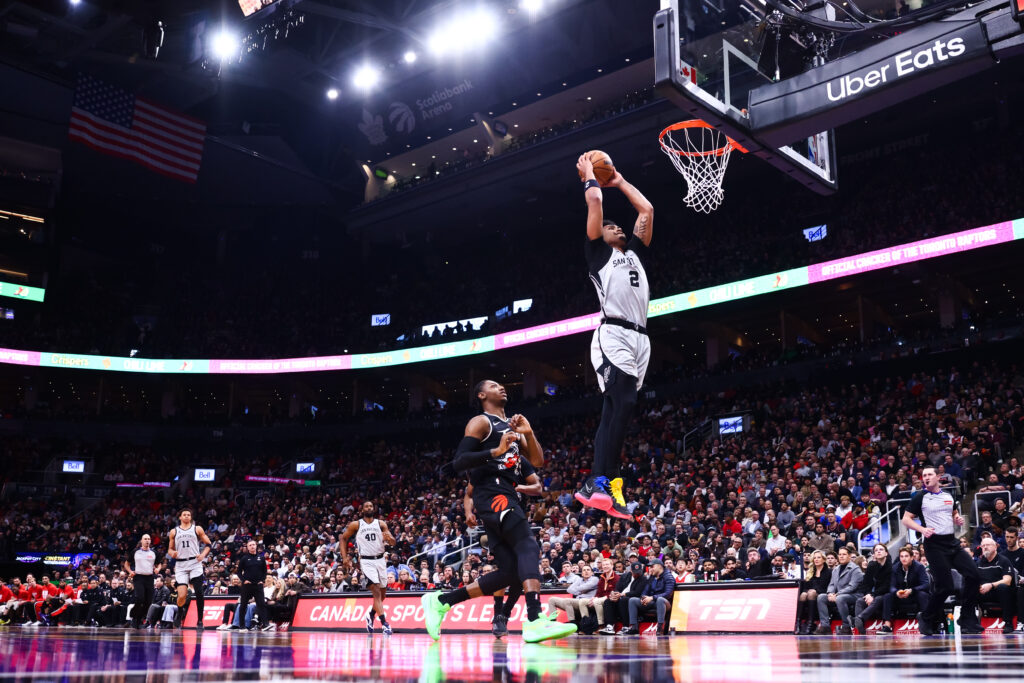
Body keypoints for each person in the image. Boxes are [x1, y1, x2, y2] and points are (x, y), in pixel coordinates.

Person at [420, 379, 576, 644]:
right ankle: (535, 619)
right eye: (493, 385)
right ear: (481, 394)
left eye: (502, 385)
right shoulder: (482, 422)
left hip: (503, 496)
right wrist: (496, 450)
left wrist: (528, 432)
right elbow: (459, 461)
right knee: (528, 545)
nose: (501, 387)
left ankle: (442, 601)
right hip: (492, 494)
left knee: (511, 572)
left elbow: (537, 461)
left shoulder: (511, 428)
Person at [574, 152, 654, 520]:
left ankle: (606, 484)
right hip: (614, 333)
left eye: (618, 227)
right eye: (610, 227)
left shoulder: (634, 253)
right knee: (623, 404)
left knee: (614, 411)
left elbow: (647, 211)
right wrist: (590, 174)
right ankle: (600, 481)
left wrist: (619, 179)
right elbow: (593, 200)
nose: (617, 228)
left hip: (641, 338)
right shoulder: (598, 255)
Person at [902, 466, 982, 635]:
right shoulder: (920, 497)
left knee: (974, 575)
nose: (926, 477)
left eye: (929, 474)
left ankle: (967, 618)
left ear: (938, 477)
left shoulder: (947, 495)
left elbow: (953, 513)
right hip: (934, 545)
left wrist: (957, 518)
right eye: (924, 475)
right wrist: (922, 530)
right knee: (945, 587)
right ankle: (926, 617)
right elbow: (906, 519)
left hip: (952, 543)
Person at [464, 471, 541, 638]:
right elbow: (469, 493)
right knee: (506, 571)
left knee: (521, 573)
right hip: (495, 527)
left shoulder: (517, 463)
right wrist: (468, 512)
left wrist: (516, 487)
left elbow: (537, 487)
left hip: (516, 520)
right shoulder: (486, 466)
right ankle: (498, 613)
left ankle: (504, 614)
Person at [340, 501, 397, 635]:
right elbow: (343, 538)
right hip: (366, 561)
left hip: (381, 560)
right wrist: (344, 557)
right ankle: (385, 624)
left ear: (374, 509)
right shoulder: (356, 524)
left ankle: (371, 614)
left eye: (371, 506)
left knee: (382, 596)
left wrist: (390, 539)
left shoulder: (381, 523)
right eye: (366, 506)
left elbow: (393, 542)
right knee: (376, 591)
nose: (369, 508)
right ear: (362, 510)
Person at [167, 508, 213, 630]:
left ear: (191, 517)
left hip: (194, 563)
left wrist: (203, 555)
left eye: (189, 514)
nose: (187, 516)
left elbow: (208, 544)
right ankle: (180, 611)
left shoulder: (197, 529)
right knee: (182, 595)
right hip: (181, 565)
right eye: (184, 515)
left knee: (199, 592)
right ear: (180, 517)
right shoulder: (174, 531)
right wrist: (172, 553)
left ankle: (200, 621)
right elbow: (170, 549)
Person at [814, 546, 863, 634]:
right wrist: (830, 593)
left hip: (855, 595)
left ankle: (846, 626)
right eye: (840, 554)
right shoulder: (836, 569)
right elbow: (832, 584)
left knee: (840, 598)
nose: (841, 556)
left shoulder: (856, 569)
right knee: (821, 597)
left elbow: (852, 587)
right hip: (839, 595)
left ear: (849, 556)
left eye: (844, 554)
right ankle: (825, 626)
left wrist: (837, 594)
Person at [622, 558, 674, 636]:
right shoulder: (652, 577)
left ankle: (660, 628)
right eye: (649, 567)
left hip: (665, 603)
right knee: (632, 600)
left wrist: (652, 597)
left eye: (652, 566)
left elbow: (668, 594)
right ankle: (634, 628)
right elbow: (645, 591)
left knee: (660, 599)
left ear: (660, 566)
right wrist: (643, 598)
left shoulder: (668, 576)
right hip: (652, 601)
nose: (650, 569)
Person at [975, 537, 1015, 634]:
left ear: (995, 547)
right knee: (969, 589)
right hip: (984, 592)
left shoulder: (1003, 560)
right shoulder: (979, 563)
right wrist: (978, 587)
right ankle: (972, 623)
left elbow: (1007, 581)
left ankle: (1008, 623)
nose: (985, 547)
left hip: (999, 592)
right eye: (983, 545)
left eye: (987, 545)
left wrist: (991, 585)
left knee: (1003, 587)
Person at [852, 543, 893, 634]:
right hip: (872, 594)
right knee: (859, 601)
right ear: (874, 554)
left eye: (881, 549)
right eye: (876, 550)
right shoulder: (871, 566)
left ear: (886, 553)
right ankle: (860, 628)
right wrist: (867, 594)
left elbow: (887, 586)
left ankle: (859, 618)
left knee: (878, 598)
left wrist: (872, 595)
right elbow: (866, 584)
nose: (878, 551)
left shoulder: (891, 567)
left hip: (885, 594)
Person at [888, 546, 929, 635]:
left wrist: (912, 590)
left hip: (915, 594)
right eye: (901, 556)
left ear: (911, 557)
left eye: (906, 556)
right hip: (901, 594)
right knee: (888, 596)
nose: (904, 558)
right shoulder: (895, 568)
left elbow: (925, 584)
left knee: (923, 595)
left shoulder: (919, 567)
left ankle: (926, 623)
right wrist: (896, 592)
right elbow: (891, 586)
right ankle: (887, 625)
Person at [124, 533, 158, 629]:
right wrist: (130, 571)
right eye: (145, 539)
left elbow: (159, 564)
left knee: (148, 602)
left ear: (150, 541)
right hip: (138, 577)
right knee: (140, 598)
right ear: (141, 541)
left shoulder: (154, 553)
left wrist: (158, 569)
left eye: (148, 539)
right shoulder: (135, 552)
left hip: (149, 577)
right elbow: (127, 563)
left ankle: (138, 619)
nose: (147, 540)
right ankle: (134, 617)